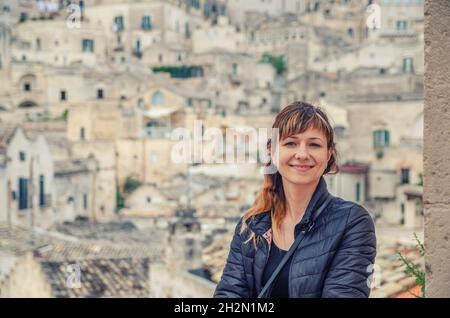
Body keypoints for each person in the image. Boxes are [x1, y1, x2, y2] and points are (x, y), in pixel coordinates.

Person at [214, 101, 377, 298]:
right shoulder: (250, 227)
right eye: (291, 143)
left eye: (314, 144)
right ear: (273, 152)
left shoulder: (352, 222)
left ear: (328, 155)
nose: (302, 154)